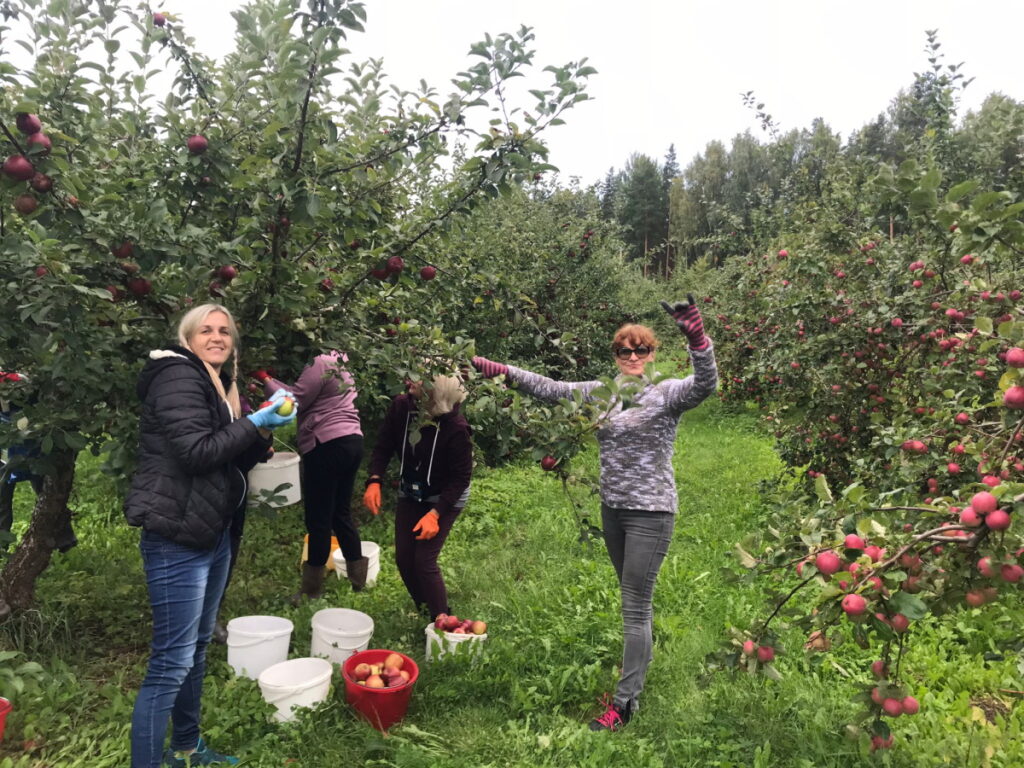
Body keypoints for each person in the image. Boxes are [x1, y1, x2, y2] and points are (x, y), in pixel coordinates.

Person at [471, 297, 718, 732]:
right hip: (613, 511)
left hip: (651, 513)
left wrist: (697, 337)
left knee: (634, 606)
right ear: (616, 356)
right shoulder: (600, 395)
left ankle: (625, 704)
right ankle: (637, 668)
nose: (634, 357)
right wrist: (500, 370)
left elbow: (705, 385)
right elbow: (550, 387)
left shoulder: (665, 394)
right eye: (625, 350)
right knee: (635, 601)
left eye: (642, 349)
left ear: (653, 354)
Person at [124, 304, 295, 768]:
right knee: (170, 664)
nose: (217, 337)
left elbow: (229, 460)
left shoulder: (215, 386)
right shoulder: (178, 377)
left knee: (196, 648)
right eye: (206, 330)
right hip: (177, 535)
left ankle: (187, 747)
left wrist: (259, 431)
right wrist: (255, 423)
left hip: (209, 530)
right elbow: (197, 454)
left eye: (225, 331)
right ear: (187, 339)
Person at [257, 351, 366, 601]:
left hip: (326, 443)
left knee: (319, 520)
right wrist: (269, 382)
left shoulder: (320, 361)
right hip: (351, 439)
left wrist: (264, 379)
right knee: (341, 513)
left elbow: (295, 401)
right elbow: (298, 391)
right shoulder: (343, 360)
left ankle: (310, 591)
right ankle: (358, 582)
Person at [362, 374, 472, 620]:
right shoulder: (402, 407)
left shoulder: (456, 428)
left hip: (445, 496)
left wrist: (435, 514)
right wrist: (375, 479)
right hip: (412, 489)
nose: (410, 381)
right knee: (404, 558)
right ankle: (428, 611)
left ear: (434, 395)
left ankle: (442, 623)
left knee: (424, 560)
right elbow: (383, 444)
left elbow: (460, 478)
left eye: (420, 380)